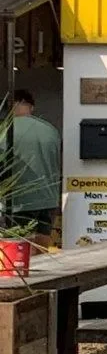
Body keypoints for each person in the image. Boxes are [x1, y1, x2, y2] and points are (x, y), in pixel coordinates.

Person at [5, 90, 61, 241]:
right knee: (42, 242)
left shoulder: (6, 130)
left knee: (18, 247)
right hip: (49, 198)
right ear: (32, 107)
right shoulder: (51, 130)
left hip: (19, 201)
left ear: (10, 106)